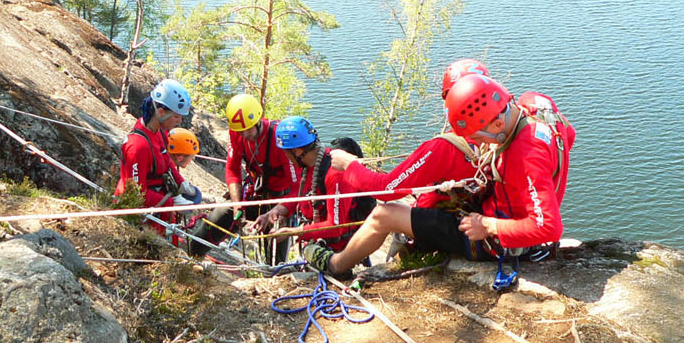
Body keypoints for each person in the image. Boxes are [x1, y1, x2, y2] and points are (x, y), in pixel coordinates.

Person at [305, 74, 575, 287]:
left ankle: (336, 266)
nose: (475, 144)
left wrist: (489, 226)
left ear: (495, 125)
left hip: (502, 242)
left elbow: (549, 227)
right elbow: (570, 135)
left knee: (384, 214)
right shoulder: (537, 107)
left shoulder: (525, 157)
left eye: (478, 138)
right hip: (511, 223)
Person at [189, 93, 300, 262]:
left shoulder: (279, 138)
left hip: (282, 203)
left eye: (249, 128)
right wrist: (237, 205)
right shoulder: (237, 134)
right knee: (209, 227)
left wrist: (277, 212)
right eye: (241, 130)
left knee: (275, 262)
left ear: (258, 120)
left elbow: (297, 188)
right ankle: (192, 260)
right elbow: (232, 169)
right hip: (255, 196)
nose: (246, 134)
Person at [253, 117, 365, 265]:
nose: (286, 157)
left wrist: (295, 231)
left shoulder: (334, 173)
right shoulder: (309, 167)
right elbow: (303, 195)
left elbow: (336, 226)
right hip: (319, 244)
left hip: (338, 253)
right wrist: (275, 212)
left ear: (297, 151)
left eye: (287, 153)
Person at [115, 79, 201, 242]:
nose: (179, 121)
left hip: (160, 206)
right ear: (161, 112)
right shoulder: (138, 146)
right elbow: (134, 193)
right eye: (176, 116)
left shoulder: (158, 132)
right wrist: (169, 203)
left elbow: (166, 161)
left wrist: (180, 184)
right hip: (146, 214)